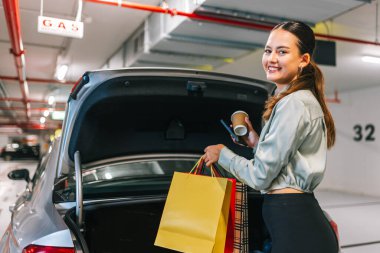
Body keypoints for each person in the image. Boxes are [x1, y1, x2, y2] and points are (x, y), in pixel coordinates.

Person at [203, 21, 339, 253]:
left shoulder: (293, 103)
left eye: (282, 51)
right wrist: (256, 142)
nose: (272, 58)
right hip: (297, 218)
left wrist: (222, 153)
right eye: (268, 50)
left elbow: (261, 177)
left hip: (296, 223)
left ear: (304, 60)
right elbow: (283, 163)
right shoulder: (295, 100)